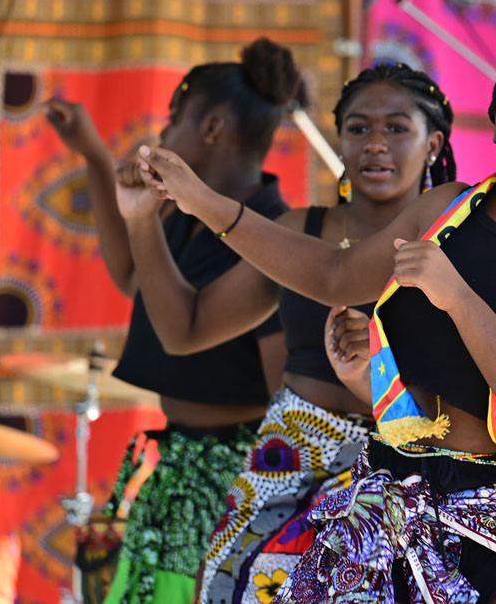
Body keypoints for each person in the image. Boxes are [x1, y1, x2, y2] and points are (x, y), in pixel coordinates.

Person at [137, 36, 496, 604]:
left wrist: (456, 296)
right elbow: (334, 274)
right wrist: (200, 201)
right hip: (394, 489)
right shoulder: (444, 210)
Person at [118, 62, 456, 603]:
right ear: (339, 142)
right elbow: (185, 330)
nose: (375, 144)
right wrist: (139, 220)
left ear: (433, 144)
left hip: (403, 467)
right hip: (287, 461)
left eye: (397, 128)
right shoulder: (302, 230)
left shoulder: (456, 238)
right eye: (358, 128)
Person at [42, 37, 300, 604]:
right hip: (179, 465)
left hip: (229, 480)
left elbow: (194, 337)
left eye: (172, 119)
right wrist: (92, 156)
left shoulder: (272, 235)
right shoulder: (186, 215)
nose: (161, 135)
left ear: (211, 127)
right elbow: (138, 280)